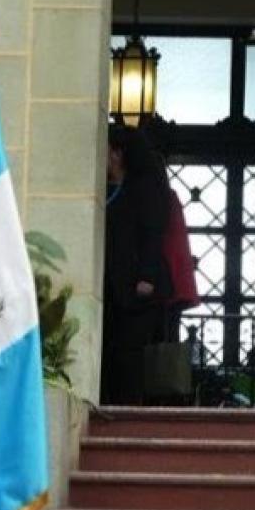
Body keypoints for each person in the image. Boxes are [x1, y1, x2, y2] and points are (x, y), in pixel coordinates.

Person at [102, 125, 172, 405]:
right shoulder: (105, 189)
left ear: (117, 153)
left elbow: (153, 233)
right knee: (110, 352)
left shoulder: (145, 188)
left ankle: (128, 410)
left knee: (130, 355)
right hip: (112, 289)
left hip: (140, 291)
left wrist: (147, 275)